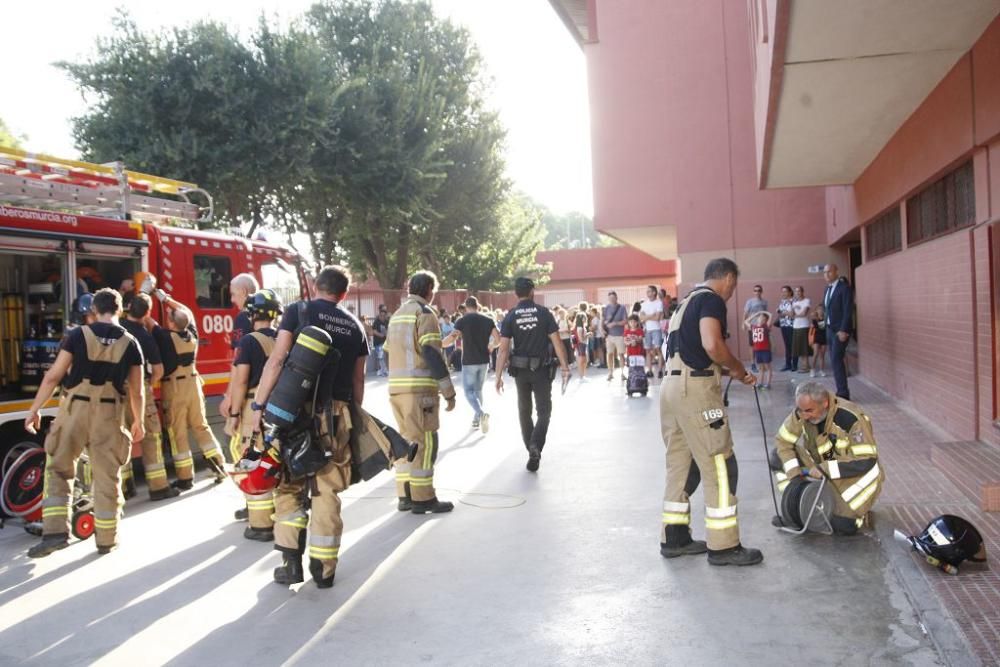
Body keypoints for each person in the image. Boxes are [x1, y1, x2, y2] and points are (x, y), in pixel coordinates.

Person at [252, 265, 369, 588]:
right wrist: (355, 416)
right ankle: (324, 568)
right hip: (337, 414)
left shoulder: (298, 310)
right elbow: (359, 378)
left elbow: (276, 360)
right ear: (343, 294)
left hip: (293, 410)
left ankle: (290, 563)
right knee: (327, 486)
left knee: (288, 482)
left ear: (316, 286)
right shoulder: (355, 325)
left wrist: (259, 405)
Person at [24, 288, 145, 558]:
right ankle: (106, 539)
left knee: (59, 468)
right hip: (109, 414)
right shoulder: (131, 343)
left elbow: (53, 377)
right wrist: (138, 421)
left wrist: (34, 409)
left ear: (93, 311)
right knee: (106, 477)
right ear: (120, 310)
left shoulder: (77, 335)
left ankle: (55, 534)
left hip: (74, 409)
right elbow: (136, 390)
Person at [659, 258, 762, 566]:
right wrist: (738, 369)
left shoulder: (684, 303)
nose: (731, 291)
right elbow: (712, 345)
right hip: (697, 393)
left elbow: (691, 349)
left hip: (670, 389)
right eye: (733, 284)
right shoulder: (711, 300)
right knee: (720, 464)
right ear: (728, 278)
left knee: (680, 464)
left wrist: (724, 369)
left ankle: (674, 538)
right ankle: (724, 545)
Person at [386, 271, 457, 514]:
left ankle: (405, 496)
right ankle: (423, 498)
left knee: (406, 442)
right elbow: (430, 352)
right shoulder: (425, 313)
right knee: (425, 442)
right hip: (420, 392)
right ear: (429, 289)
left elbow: (390, 350)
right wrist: (448, 390)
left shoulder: (396, 315)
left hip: (397, 390)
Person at [773, 381, 883, 535]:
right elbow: (783, 440)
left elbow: (867, 460)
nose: (804, 416)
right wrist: (795, 477)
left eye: (809, 411)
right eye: (800, 410)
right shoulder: (802, 412)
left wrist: (825, 469)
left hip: (852, 478)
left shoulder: (850, 417)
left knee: (842, 526)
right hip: (823, 470)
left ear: (824, 403)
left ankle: (854, 517)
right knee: (778, 456)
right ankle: (794, 511)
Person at [495, 277, 571, 472]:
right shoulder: (543, 313)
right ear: (532, 292)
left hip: (520, 372)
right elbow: (557, 342)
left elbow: (503, 349)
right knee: (544, 411)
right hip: (541, 371)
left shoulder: (511, 316)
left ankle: (531, 448)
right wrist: (565, 367)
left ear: (515, 293)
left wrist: (498, 376)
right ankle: (536, 445)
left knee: (524, 411)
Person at [152, 291, 227, 489]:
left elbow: (146, 321)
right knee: (201, 426)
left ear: (171, 324)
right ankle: (219, 466)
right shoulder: (192, 334)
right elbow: (187, 313)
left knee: (178, 432)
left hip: (175, 387)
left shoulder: (165, 337)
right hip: (194, 385)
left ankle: (185, 477)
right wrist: (166, 299)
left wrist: (147, 294)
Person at [225, 289, 281, 541]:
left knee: (251, 459)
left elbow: (240, 381)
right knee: (276, 458)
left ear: (251, 314)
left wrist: (234, 414)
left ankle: (260, 524)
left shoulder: (248, 341)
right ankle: (280, 513)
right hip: (279, 407)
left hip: (253, 408)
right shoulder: (283, 339)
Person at [122, 293, 179, 501]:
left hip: (116, 391)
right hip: (139, 389)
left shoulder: (117, 329)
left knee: (121, 437)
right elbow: (159, 369)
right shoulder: (145, 336)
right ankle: (158, 487)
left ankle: (125, 487)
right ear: (147, 313)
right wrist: (149, 385)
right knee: (151, 436)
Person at [443, 296, 500, 433]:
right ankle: (476, 421)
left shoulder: (462, 321)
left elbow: (452, 338)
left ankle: (481, 414)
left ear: (466, 307)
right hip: (484, 361)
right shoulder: (488, 320)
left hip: (469, 361)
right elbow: (498, 339)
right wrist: (492, 346)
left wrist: (440, 343)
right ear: (477, 306)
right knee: (478, 391)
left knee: (468, 391)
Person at [824, 264, 853, 399]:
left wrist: (843, 330)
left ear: (836, 272)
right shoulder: (827, 289)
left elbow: (848, 311)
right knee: (834, 360)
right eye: (825, 272)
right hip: (829, 329)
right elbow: (828, 309)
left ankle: (843, 393)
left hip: (840, 331)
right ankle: (840, 389)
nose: (827, 274)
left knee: (836, 359)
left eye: (829, 271)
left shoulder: (844, 288)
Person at [639, 285, 664, 378]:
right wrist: (651, 316)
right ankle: (649, 371)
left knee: (658, 350)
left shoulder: (659, 303)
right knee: (648, 350)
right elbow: (641, 318)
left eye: (649, 291)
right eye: (647, 291)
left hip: (656, 329)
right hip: (647, 330)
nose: (648, 293)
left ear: (654, 292)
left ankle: (660, 370)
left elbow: (657, 318)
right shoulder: (644, 304)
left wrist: (646, 317)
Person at [602, 292, 628, 381]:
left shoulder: (622, 308)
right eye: (610, 298)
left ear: (616, 298)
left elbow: (625, 321)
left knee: (621, 354)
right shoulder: (606, 308)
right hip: (609, 335)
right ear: (608, 299)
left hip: (620, 335)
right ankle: (610, 373)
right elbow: (603, 320)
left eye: (613, 297)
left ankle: (623, 373)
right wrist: (603, 329)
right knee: (609, 354)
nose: (612, 299)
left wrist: (615, 323)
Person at [743, 285, 768, 372]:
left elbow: (766, 314)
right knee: (752, 345)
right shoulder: (750, 301)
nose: (757, 292)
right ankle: (753, 363)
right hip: (752, 325)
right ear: (753, 292)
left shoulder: (764, 302)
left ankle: (761, 363)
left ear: (761, 291)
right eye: (755, 290)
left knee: (761, 344)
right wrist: (744, 324)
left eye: (759, 290)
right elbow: (745, 313)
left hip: (761, 326)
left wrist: (767, 325)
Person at [747, 311, 773, 389]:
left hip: (765, 350)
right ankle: (760, 383)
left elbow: (771, 315)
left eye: (763, 318)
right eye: (760, 317)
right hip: (757, 350)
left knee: (767, 367)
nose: (761, 319)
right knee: (761, 368)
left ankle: (768, 384)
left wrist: (763, 312)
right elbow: (746, 321)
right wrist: (755, 314)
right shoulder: (753, 327)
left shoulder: (765, 326)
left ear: (765, 320)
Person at [791, 286, 812, 374]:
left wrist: (795, 315)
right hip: (796, 326)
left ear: (802, 292)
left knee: (804, 347)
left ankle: (805, 366)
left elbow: (804, 313)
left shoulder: (807, 301)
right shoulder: (794, 303)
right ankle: (805, 365)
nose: (797, 293)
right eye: (796, 292)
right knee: (799, 348)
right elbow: (791, 314)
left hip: (804, 326)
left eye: (799, 291)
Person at [776, 286, 795, 372]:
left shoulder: (793, 301)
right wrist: (781, 313)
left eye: (785, 291)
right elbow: (780, 314)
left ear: (790, 292)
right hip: (783, 325)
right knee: (787, 345)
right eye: (782, 291)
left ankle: (794, 364)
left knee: (792, 345)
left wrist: (783, 313)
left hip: (791, 325)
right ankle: (788, 364)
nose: (783, 293)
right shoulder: (782, 302)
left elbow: (792, 314)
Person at [371, 304, 389, 376]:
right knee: (381, 356)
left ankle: (382, 370)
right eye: (382, 315)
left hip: (385, 342)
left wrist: (387, 334)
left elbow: (388, 330)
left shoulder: (386, 321)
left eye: (384, 315)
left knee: (384, 357)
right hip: (378, 342)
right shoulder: (376, 321)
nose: (383, 317)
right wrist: (380, 335)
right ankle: (383, 370)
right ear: (380, 314)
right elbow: (374, 331)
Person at [572, 306, 589, 380]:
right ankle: (582, 376)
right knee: (582, 360)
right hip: (581, 344)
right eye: (584, 317)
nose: (585, 319)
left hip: (582, 344)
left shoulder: (580, 326)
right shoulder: (580, 327)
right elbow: (581, 338)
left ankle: (583, 376)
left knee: (583, 360)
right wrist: (588, 334)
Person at [811, 304, 827, 377]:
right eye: (819, 309)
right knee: (815, 354)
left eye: (822, 309)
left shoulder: (826, 319)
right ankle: (812, 370)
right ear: (816, 311)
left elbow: (826, 328)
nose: (820, 311)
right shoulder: (814, 320)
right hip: (817, 338)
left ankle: (821, 370)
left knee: (822, 355)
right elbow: (818, 328)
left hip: (824, 338)